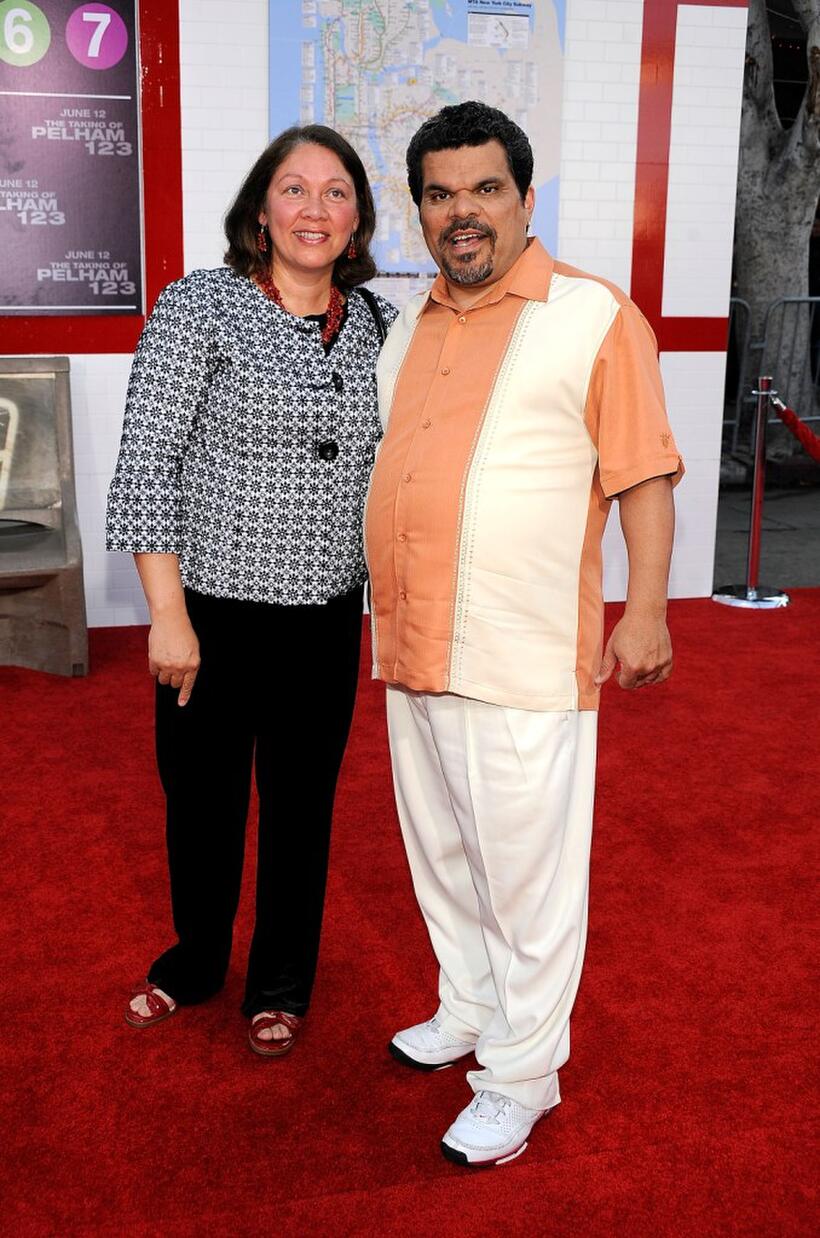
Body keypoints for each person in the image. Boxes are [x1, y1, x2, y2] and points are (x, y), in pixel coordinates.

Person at [364, 102, 683, 1165]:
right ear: (421, 210)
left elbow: (641, 473)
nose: (464, 212)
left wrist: (644, 610)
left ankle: (523, 1072)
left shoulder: (592, 314)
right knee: (444, 853)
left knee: (527, 877)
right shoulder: (408, 322)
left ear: (524, 198)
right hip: (410, 641)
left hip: (519, 647)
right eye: (442, 193)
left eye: (485, 188)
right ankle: (469, 1008)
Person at [107, 125, 395, 1056]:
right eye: (295, 189)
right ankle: (194, 961)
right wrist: (166, 616)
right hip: (212, 617)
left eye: (337, 192)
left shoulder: (383, 328)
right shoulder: (201, 308)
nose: (316, 208)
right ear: (259, 212)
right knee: (202, 802)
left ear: (357, 221)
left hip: (323, 620)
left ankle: (280, 983)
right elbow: (144, 465)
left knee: (304, 808)